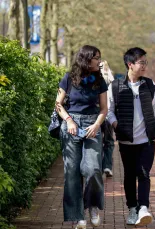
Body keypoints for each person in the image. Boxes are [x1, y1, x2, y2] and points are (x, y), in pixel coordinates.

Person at [55, 45, 107, 229]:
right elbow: (58, 104)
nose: (99, 61)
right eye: (96, 58)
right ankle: (78, 217)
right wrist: (69, 121)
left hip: (93, 125)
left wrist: (96, 125)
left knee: (93, 169)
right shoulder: (69, 78)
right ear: (86, 59)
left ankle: (92, 206)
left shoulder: (99, 80)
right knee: (71, 173)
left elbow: (104, 109)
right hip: (71, 127)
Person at [106, 47, 155, 226]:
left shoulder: (151, 85)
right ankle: (132, 209)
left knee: (144, 173)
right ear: (130, 64)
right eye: (141, 62)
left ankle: (144, 207)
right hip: (126, 140)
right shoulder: (115, 86)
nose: (144, 65)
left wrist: (154, 125)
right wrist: (116, 125)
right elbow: (109, 111)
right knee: (129, 175)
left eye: (145, 62)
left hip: (147, 140)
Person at [100, 60, 115, 177]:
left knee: (98, 141)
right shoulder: (110, 79)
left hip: (98, 115)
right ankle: (107, 166)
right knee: (109, 142)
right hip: (107, 115)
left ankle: (100, 167)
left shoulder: (93, 78)